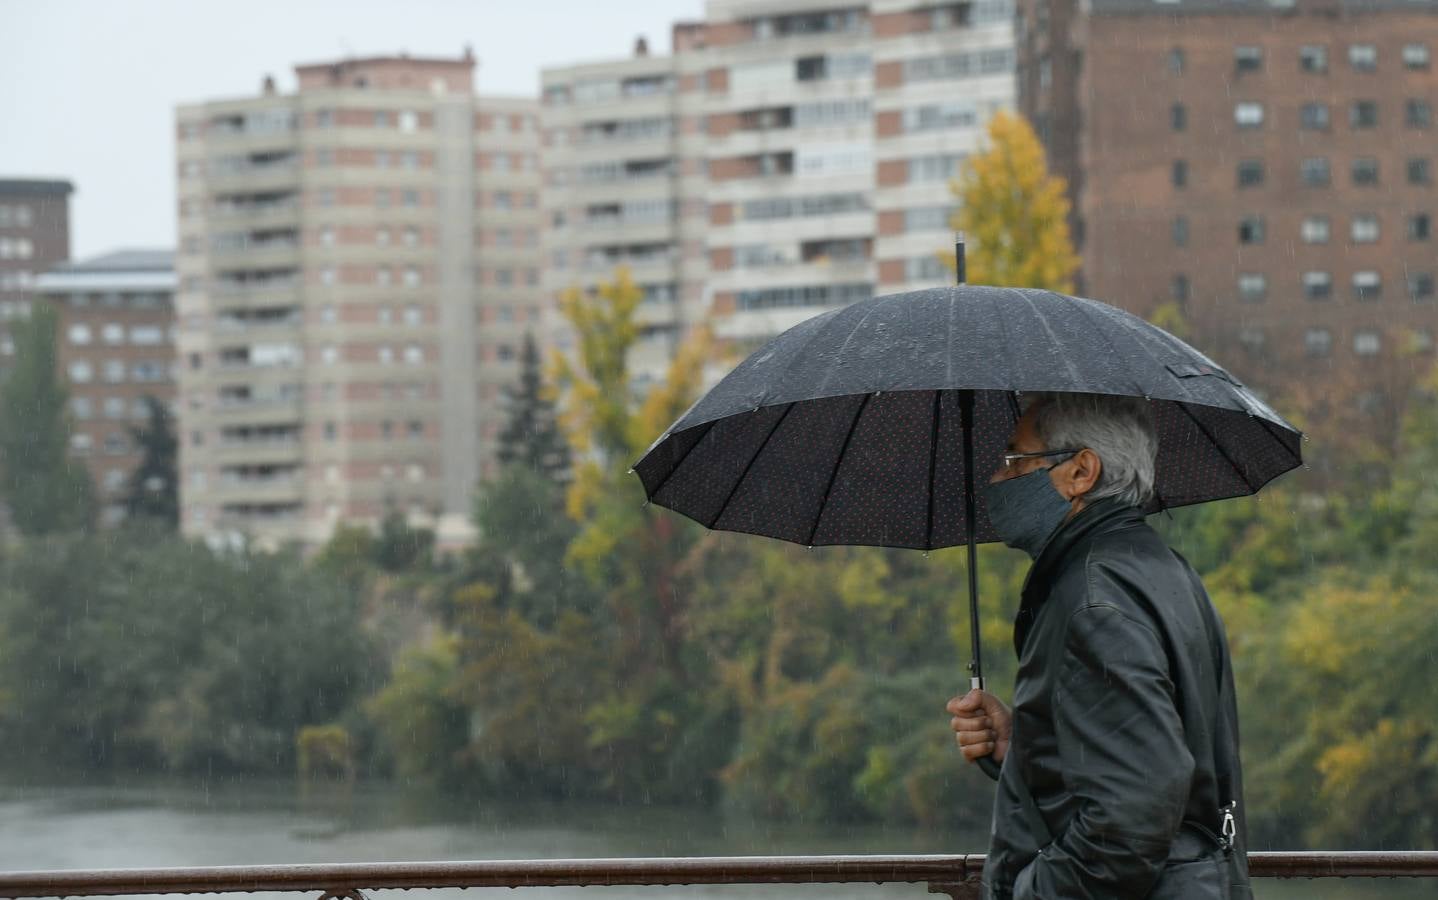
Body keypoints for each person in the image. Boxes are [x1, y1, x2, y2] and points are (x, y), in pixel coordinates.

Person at [947, 392, 1251, 899]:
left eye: (1013, 459)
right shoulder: (1158, 567)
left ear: (1081, 472)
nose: (995, 479)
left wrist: (1031, 891)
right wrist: (1024, 748)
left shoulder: (1093, 601)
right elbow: (1162, 754)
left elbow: (1131, 820)